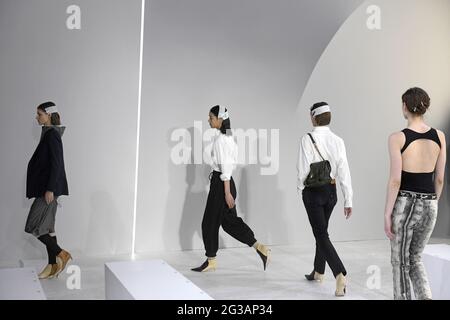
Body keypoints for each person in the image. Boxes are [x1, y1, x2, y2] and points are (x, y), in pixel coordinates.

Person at [191, 105, 270, 272]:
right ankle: (260, 247)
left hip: (222, 185)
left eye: (211, 117)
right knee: (229, 223)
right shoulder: (227, 137)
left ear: (220, 119)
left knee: (209, 223)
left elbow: (226, 167)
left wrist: (226, 192)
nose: (208, 120)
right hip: (224, 183)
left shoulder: (222, 140)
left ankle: (211, 260)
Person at [384, 87, 446, 300]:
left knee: (400, 261)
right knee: (416, 259)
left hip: (406, 204)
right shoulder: (439, 136)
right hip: (431, 204)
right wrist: (432, 202)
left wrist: (387, 213)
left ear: (405, 106)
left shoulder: (397, 138)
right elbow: (439, 178)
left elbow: (395, 180)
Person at [297, 102, 353, 296]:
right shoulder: (338, 140)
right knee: (322, 231)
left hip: (313, 192)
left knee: (321, 234)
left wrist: (300, 189)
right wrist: (348, 199)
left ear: (314, 117)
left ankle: (339, 274)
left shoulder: (307, 138)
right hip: (331, 191)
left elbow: (303, 169)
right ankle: (318, 271)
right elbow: (344, 171)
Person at [25, 101, 72, 279]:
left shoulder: (52, 135)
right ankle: (53, 265)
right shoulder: (48, 133)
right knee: (49, 228)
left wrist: (50, 189)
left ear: (49, 115)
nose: (37, 117)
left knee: (33, 226)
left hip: (48, 189)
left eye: (40, 114)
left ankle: (62, 254)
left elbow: (57, 164)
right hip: (46, 188)